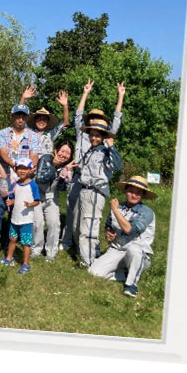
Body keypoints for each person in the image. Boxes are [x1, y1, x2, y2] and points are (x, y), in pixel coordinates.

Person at [62, 79, 125, 252]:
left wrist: (120, 96)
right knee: (72, 212)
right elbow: (78, 115)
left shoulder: (103, 140)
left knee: (89, 217)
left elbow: (116, 122)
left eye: (98, 118)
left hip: (94, 181)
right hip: (78, 178)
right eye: (92, 118)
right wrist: (85, 93)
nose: (94, 120)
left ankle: (89, 248)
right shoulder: (83, 134)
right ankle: (68, 242)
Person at [89, 176, 156, 298]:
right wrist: (108, 233)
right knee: (94, 272)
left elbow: (129, 230)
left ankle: (131, 286)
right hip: (117, 249)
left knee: (134, 249)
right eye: (131, 191)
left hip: (138, 253)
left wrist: (115, 210)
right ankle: (126, 273)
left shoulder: (147, 212)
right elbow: (108, 225)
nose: (133, 195)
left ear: (143, 195)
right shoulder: (118, 207)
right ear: (125, 191)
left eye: (138, 193)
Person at [0, 103, 40, 256]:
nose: (20, 119)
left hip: (22, 181)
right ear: (12, 117)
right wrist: (16, 166)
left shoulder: (33, 136)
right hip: (4, 177)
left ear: (27, 118)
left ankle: (9, 242)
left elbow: (34, 155)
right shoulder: (3, 133)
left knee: (16, 211)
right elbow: (3, 153)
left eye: (23, 116)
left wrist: (32, 166)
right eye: (17, 116)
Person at [75, 117, 123, 267]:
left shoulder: (105, 152)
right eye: (92, 135)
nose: (94, 138)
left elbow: (116, 166)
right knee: (85, 225)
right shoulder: (91, 151)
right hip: (85, 190)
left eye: (97, 135)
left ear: (103, 137)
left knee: (90, 226)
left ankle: (88, 261)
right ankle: (90, 256)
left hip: (95, 191)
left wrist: (111, 147)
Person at [0, 157, 40, 274]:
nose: (22, 171)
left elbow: (37, 201)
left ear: (30, 170)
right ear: (16, 170)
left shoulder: (33, 185)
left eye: (25, 168)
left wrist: (30, 204)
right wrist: (11, 202)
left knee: (26, 243)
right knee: (12, 239)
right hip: (15, 219)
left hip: (26, 220)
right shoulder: (15, 184)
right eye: (20, 168)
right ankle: (8, 259)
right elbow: (15, 198)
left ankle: (25, 264)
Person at [33, 140, 74, 261]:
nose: (64, 155)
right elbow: (40, 179)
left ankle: (51, 252)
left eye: (68, 153)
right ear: (56, 150)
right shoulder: (46, 159)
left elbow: (62, 188)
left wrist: (65, 177)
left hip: (52, 196)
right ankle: (36, 249)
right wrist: (53, 167)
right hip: (37, 194)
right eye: (62, 151)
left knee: (54, 223)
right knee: (38, 222)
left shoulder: (67, 166)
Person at [25, 90, 70, 156]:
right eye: (39, 119)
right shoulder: (28, 132)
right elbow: (19, 118)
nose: (41, 121)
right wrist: (23, 98)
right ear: (35, 120)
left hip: (46, 162)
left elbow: (65, 123)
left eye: (44, 119)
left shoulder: (51, 134)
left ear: (48, 122)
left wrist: (65, 106)